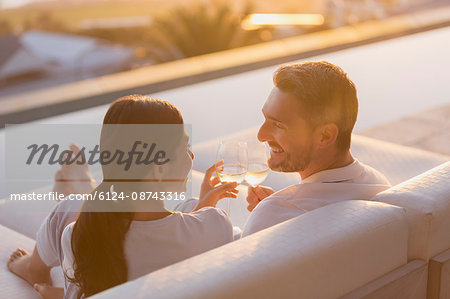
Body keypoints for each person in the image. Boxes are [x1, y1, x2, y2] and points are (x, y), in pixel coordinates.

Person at [7, 95, 238, 299]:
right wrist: (204, 209)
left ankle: (34, 264)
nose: (192, 154)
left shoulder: (77, 235)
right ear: (158, 169)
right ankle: (83, 185)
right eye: (185, 147)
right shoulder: (215, 225)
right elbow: (184, 237)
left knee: (72, 207)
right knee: (186, 206)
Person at [242, 61, 391, 236]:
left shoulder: (274, 214)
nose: (261, 135)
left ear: (325, 136)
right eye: (265, 118)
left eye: (278, 125)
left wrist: (206, 217)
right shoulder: (379, 186)